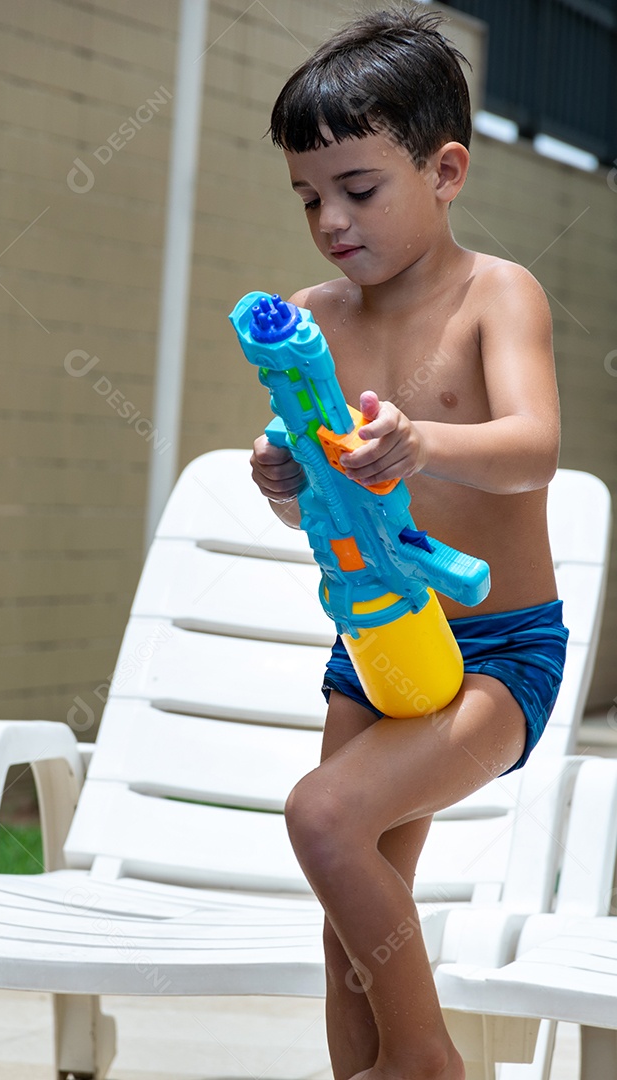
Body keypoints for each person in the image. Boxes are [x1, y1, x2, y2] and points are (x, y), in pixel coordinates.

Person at [249, 7, 569, 1080]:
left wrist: (422, 441)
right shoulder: (312, 319)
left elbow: (533, 452)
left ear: (445, 170)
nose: (330, 219)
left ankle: (427, 1060)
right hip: (378, 640)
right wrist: (286, 483)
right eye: (308, 196)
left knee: (323, 819)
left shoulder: (496, 296)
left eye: (359, 188)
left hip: (498, 652)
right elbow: (319, 513)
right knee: (351, 904)